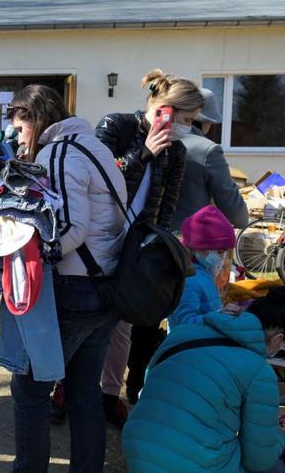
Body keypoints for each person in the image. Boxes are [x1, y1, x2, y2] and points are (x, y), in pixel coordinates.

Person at [6, 85, 126, 472]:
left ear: (35, 118)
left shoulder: (58, 151)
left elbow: (70, 229)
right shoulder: (94, 147)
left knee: (30, 388)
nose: (17, 136)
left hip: (75, 288)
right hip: (106, 285)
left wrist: (20, 249)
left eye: (20, 127)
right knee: (84, 391)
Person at [95, 68, 203, 416]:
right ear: (162, 108)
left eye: (190, 122)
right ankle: (67, 389)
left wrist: (160, 245)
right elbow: (97, 179)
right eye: (185, 119)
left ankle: (109, 396)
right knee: (85, 320)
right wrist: (142, 153)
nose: (186, 128)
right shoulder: (116, 126)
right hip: (99, 238)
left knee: (122, 325)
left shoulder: (176, 152)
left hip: (137, 247)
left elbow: (168, 205)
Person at [122, 288, 285, 472]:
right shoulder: (259, 370)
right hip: (190, 462)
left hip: (138, 446)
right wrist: (280, 436)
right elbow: (259, 459)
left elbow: (150, 383)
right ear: (278, 339)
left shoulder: (182, 333)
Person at [172, 88, 248, 230]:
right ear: (206, 122)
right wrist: (245, 220)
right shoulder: (207, 150)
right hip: (188, 237)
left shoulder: (155, 139)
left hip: (145, 235)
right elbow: (234, 210)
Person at [167, 205, 236, 330]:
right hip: (190, 341)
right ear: (199, 247)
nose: (222, 257)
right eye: (219, 252)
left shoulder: (203, 271)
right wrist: (219, 316)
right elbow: (184, 324)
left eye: (225, 252)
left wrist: (222, 312)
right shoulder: (188, 281)